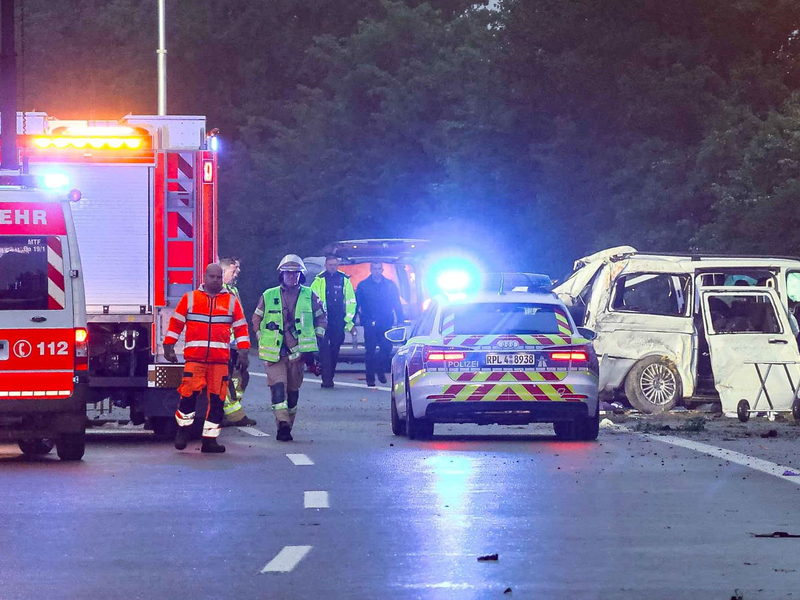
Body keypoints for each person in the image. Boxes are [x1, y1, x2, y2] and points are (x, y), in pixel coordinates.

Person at [163, 264, 250, 454]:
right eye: (212, 277)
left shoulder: (231, 301)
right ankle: (183, 431)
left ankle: (210, 440)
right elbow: (176, 323)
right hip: (195, 360)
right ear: (204, 277)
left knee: (217, 401)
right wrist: (168, 344)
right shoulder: (191, 298)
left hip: (219, 361)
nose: (216, 280)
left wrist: (243, 352)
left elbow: (241, 328)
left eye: (219, 277)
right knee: (188, 396)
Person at [253, 254, 326, 441]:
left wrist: (316, 339)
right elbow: (256, 319)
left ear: (301, 275)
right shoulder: (268, 295)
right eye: (288, 273)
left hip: (299, 354)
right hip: (274, 354)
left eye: (295, 274)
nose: (291, 277)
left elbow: (321, 318)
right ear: (281, 275)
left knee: (292, 392)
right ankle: (282, 425)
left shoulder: (310, 295)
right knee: (278, 387)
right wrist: (262, 339)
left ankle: (289, 422)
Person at [219, 257, 257, 427]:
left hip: (234, 344)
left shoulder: (232, 290)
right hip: (225, 345)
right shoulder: (221, 292)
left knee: (241, 377)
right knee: (229, 380)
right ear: (223, 271)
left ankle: (230, 411)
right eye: (234, 270)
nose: (237, 273)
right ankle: (233, 414)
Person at [311, 255, 357, 388]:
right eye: (330, 265)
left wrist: (348, 321)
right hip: (322, 321)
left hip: (338, 321)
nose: (333, 267)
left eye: (335, 265)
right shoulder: (318, 280)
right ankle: (326, 379)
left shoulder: (344, 280)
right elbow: (312, 301)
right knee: (324, 350)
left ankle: (330, 374)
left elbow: (351, 301)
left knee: (335, 349)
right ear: (326, 265)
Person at [355, 262, 403, 387]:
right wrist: (353, 320)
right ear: (371, 270)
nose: (377, 271)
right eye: (375, 269)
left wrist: (401, 319)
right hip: (369, 321)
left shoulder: (390, 285)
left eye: (379, 269)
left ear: (382, 270)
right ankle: (370, 378)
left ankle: (380, 368)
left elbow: (396, 303)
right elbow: (356, 304)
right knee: (370, 350)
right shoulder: (363, 285)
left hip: (386, 321)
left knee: (387, 348)